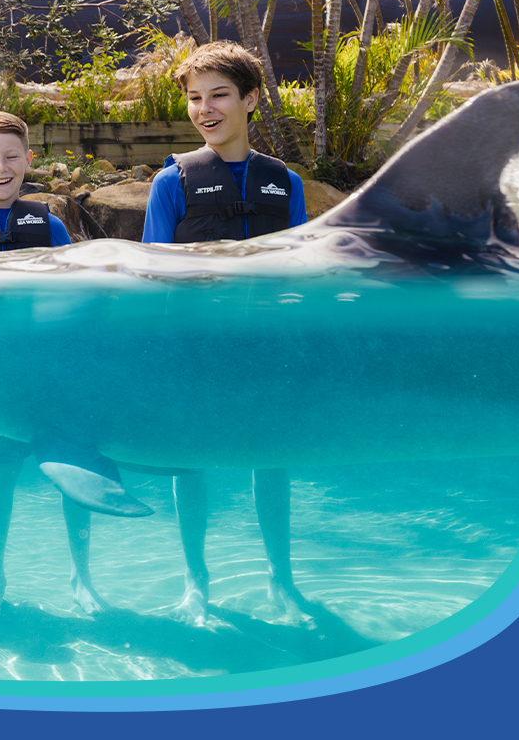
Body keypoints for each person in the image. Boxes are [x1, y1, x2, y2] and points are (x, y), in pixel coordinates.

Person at [141, 41, 311, 626]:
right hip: (194, 349)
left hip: (266, 348)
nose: (205, 109)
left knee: (273, 460)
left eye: (218, 96)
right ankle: (196, 579)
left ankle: (281, 579)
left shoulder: (284, 183)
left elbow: (300, 275)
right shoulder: (173, 183)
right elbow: (152, 274)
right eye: (194, 98)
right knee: (191, 461)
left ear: (251, 100)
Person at [0, 111, 114, 617]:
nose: (0, 167)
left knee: (73, 471)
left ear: (29, 161)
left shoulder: (51, 226)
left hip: (52, 376)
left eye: (11, 157)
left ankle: (82, 576)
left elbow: (77, 302)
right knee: (1, 474)